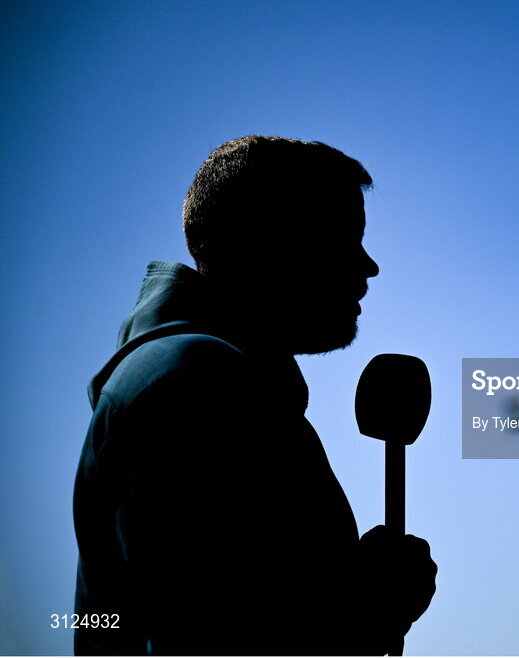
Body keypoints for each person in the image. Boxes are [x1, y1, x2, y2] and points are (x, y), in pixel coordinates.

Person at [72, 136, 436, 655]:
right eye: (342, 238)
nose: (368, 266)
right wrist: (371, 609)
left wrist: (350, 596)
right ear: (267, 243)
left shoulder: (195, 378)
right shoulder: (198, 386)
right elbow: (213, 632)